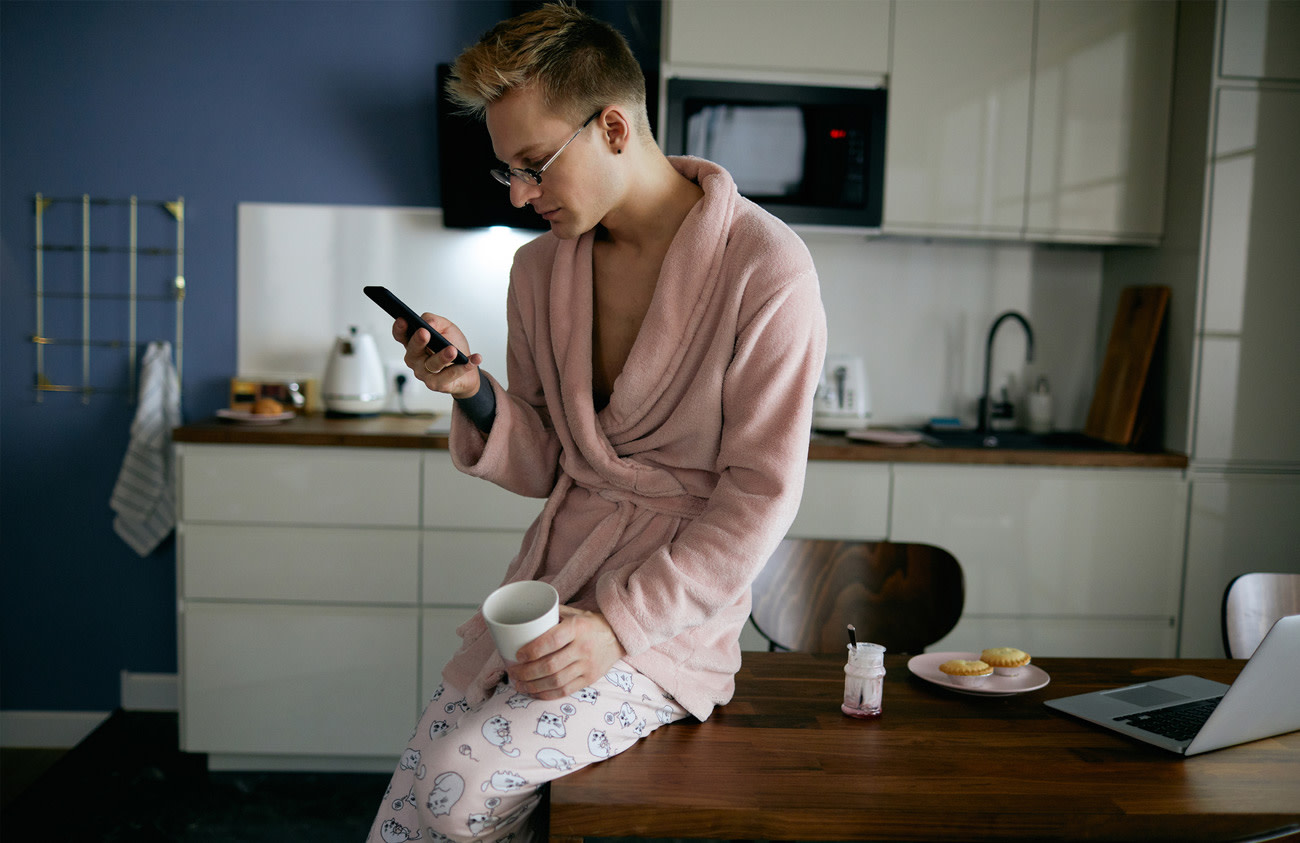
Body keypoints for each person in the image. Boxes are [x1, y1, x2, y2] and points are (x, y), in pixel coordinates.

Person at [366, 4, 826, 841]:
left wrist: (620, 628)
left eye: (535, 164)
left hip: (669, 618)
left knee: (456, 785)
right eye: (509, 169)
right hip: (549, 587)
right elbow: (549, 461)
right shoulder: (538, 270)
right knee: (416, 791)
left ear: (614, 125)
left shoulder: (766, 269)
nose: (519, 192)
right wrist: (472, 390)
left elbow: (759, 498)